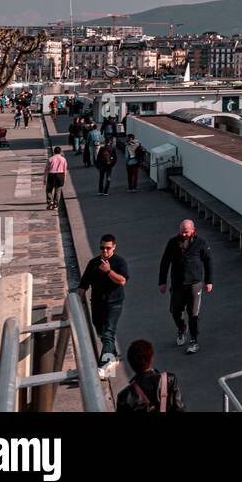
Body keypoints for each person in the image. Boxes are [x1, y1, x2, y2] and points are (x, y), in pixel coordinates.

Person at [157, 219, 213, 355]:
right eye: (181, 232)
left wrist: (208, 281)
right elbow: (165, 262)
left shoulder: (201, 243)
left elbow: (208, 262)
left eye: (186, 232)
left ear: (193, 231)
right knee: (175, 311)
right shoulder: (172, 243)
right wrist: (162, 282)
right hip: (177, 284)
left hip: (195, 284)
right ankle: (182, 328)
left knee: (193, 314)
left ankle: (194, 341)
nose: (183, 234)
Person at [78, 234, 129, 367]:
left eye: (108, 248)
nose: (104, 251)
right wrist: (78, 301)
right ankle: (113, 357)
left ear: (114, 247)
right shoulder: (93, 263)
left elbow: (122, 280)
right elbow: (83, 284)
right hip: (97, 303)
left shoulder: (119, 262)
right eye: (102, 248)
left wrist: (108, 271)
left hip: (114, 303)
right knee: (102, 333)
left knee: (108, 333)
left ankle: (104, 366)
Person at [115, 339, 184, 412]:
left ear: (131, 364)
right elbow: (179, 408)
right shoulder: (169, 380)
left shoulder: (124, 396)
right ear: (151, 358)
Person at [46, 146, 69, 210]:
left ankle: (50, 202)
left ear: (54, 151)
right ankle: (55, 205)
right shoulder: (63, 159)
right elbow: (65, 170)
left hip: (51, 175)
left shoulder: (50, 159)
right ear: (60, 152)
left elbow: (46, 169)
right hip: (60, 175)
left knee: (49, 190)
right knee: (58, 190)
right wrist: (64, 179)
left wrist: (45, 178)